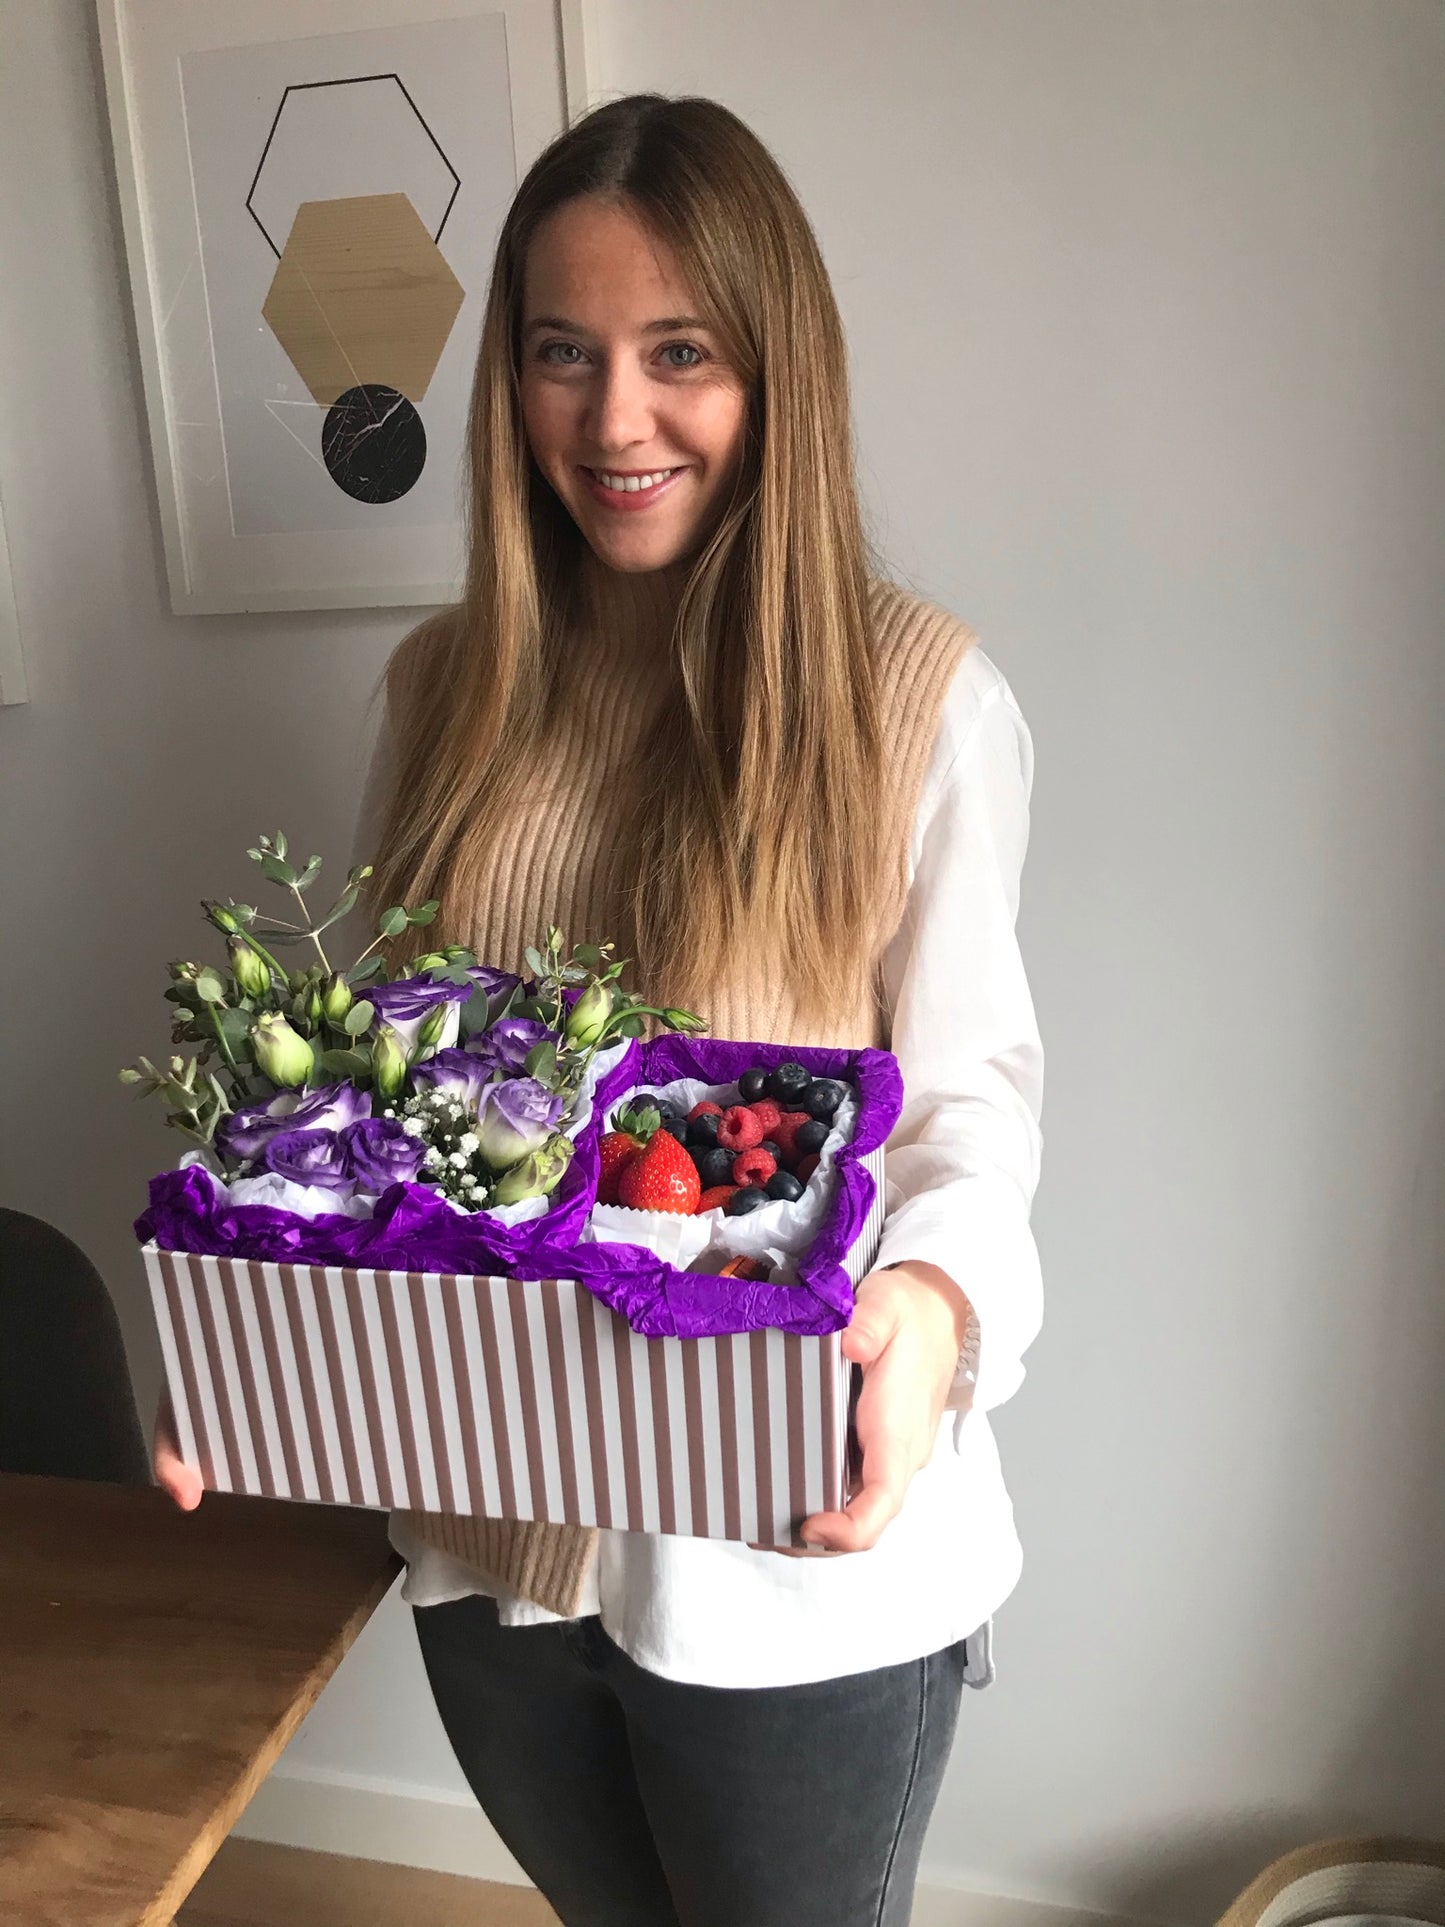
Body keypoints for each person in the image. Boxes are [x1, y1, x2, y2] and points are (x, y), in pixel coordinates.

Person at [155, 92, 1043, 1927]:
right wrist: (262, 1353)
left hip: (783, 1560)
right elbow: (393, 1122)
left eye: (679, 354)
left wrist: (939, 1304)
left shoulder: (917, 702)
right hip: (495, 1550)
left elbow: (969, 1102)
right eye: (562, 354)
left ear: (772, 372)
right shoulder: (445, 690)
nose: (613, 418)